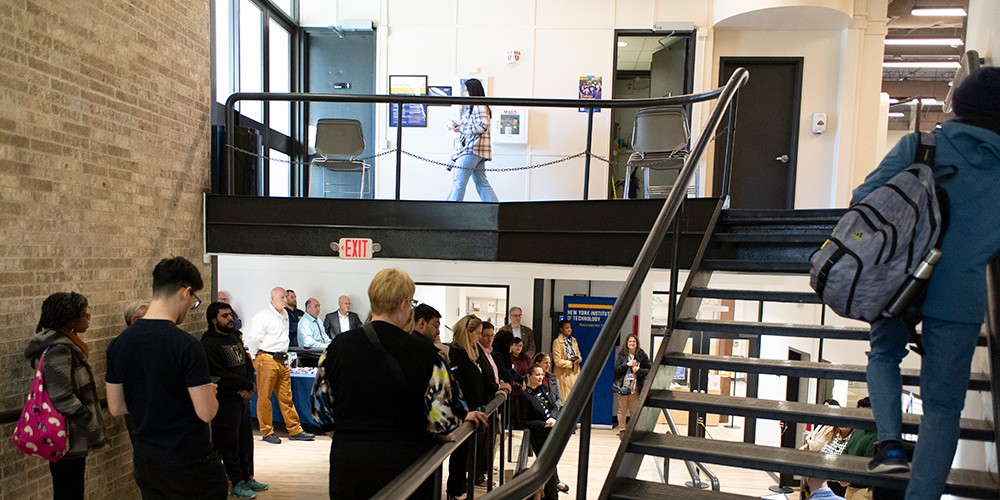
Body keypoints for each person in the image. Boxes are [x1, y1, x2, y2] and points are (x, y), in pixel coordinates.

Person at [855, 67, 1000, 500]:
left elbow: (864, 201)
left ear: (957, 104)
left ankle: (890, 443)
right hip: (960, 294)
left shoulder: (919, 146)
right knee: (943, 408)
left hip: (897, 278)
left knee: (883, 353)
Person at [310, 269, 487, 500]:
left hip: (349, 461)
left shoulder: (337, 347)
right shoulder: (426, 354)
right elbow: (444, 419)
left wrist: (351, 437)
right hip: (408, 465)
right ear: (404, 304)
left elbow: (319, 410)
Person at [105, 256, 229, 499]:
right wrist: (210, 394)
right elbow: (206, 412)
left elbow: (117, 407)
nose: (191, 307)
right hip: (190, 463)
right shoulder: (186, 346)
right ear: (186, 292)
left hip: (147, 462)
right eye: (194, 301)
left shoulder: (119, 344)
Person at [24, 292, 106, 500]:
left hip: (70, 433)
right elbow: (61, 396)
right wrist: (88, 417)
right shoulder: (59, 349)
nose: (88, 318)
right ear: (70, 319)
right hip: (67, 435)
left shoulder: (67, 345)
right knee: (68, 490)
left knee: (70, 487)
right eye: (84, 314)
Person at [202, 302, 268, 499]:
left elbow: (247, 362)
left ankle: (247, 477)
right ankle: (236, 482)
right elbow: (218, 373)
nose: (230, 318)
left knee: (245, 441)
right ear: (213, 320)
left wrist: (249, 383)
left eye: (230, 315)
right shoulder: (208, 344)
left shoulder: (233, 337)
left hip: (242, 400)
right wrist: (244, 385)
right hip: (226, 401)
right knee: (230, 444)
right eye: (224, 316)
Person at [245, 287, 315, 444]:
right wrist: (256, 357)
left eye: (285, 297)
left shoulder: (284, 315)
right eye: (282, 297)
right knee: (264, 398)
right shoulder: (262, 317)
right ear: (272, 299)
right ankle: (267, 431)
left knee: (286, 397)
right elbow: (254, 339)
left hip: (282, 359)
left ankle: (295, 429)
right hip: (267, 358)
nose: (285, 300)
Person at [447, 314, 506, 499]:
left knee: (468, 452)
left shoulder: (471, 352)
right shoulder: (457, 352)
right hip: (465, 413)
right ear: (468, 333)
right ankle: (457, 490)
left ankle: (460, 487)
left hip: (475, 410)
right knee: (460, 454)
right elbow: (455, 386)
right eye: (478, 333)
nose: (480, 337)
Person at [520, 363, 570, 498]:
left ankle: (551, 492)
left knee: (551, 464)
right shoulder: (524, 396)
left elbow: (554, 406)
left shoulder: (543, 388)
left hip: (551, 431)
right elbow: (522, 421)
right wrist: (543, 424)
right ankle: (551, 495)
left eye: (542, 374)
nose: (541, 377)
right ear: (528, 376)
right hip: (539, 435)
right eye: (537, 374)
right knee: (547, 466)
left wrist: (553, 418)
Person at [445, 78, 498, 202]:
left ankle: (450, 211)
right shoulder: (477, 106)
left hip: (471, 148)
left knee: (459, 182)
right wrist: (457, 124)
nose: (464, 94)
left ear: (472, 91)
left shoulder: (478, 106)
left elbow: (482, 126)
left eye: (466, 91)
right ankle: (494, 209)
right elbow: (475, 125)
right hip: (478, 150)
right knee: (481, 183)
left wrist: (461, 129)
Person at [613, 334, 650, 435]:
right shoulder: (622, 355)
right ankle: (622, 430)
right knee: (622, 410)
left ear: (637, 343)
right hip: (622, 387)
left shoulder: (642, 355)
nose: (632, 343)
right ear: (627, 343)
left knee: (634, 410)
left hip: (635, 388)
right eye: (630, 341)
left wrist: (638, 370)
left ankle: (633, 430)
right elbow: (617, 369)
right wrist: (627, 365)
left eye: (634, 341)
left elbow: (649, 369)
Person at [842, 398, 877, 500]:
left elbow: (867, 463)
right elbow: (846, 450)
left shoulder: (876, 435)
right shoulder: (858, 429)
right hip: (850, 485)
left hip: (864, 489)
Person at [551, 320, 581, 403]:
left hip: (574, 373)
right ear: (561, 329)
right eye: (567, 328)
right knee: (563, 401)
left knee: (574, 400)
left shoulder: (574, 340)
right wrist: (570, 363)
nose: (569, 329)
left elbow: (579, 355)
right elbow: (557, 361)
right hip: (563, 375)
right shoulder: (557, 342)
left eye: (570, 328)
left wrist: (578, 359)